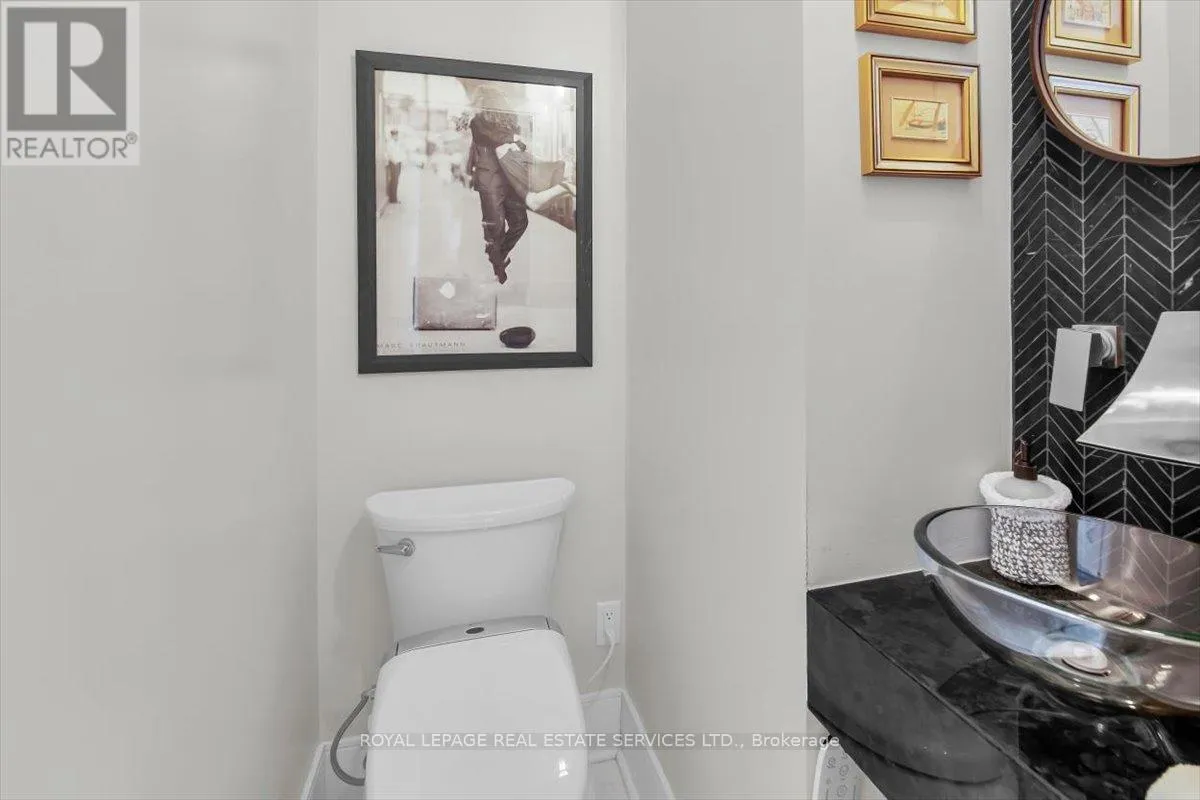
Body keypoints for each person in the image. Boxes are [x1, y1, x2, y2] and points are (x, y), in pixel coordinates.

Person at [465, 89, 527, 284]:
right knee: (496, 226)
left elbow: (519, 142)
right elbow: (489, 136)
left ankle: (498, 253)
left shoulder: (511, 121)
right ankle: (498, 267)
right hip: (489, 180)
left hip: (510, 179)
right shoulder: (477, 122)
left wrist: (517, 142)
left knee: (520, 222)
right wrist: (512, 139)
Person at [385, 129, 403, 204]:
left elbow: (399, 153)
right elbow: (390, 154)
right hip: (393, 163)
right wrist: (395, 162)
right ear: (392, 135)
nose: (396, 136)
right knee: (394, 181)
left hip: (398, 162)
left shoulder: (397, 143)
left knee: (396, 181)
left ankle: (394, 198)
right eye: (395, 135)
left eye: (397, 135)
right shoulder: (390, 143)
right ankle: (393, 199)